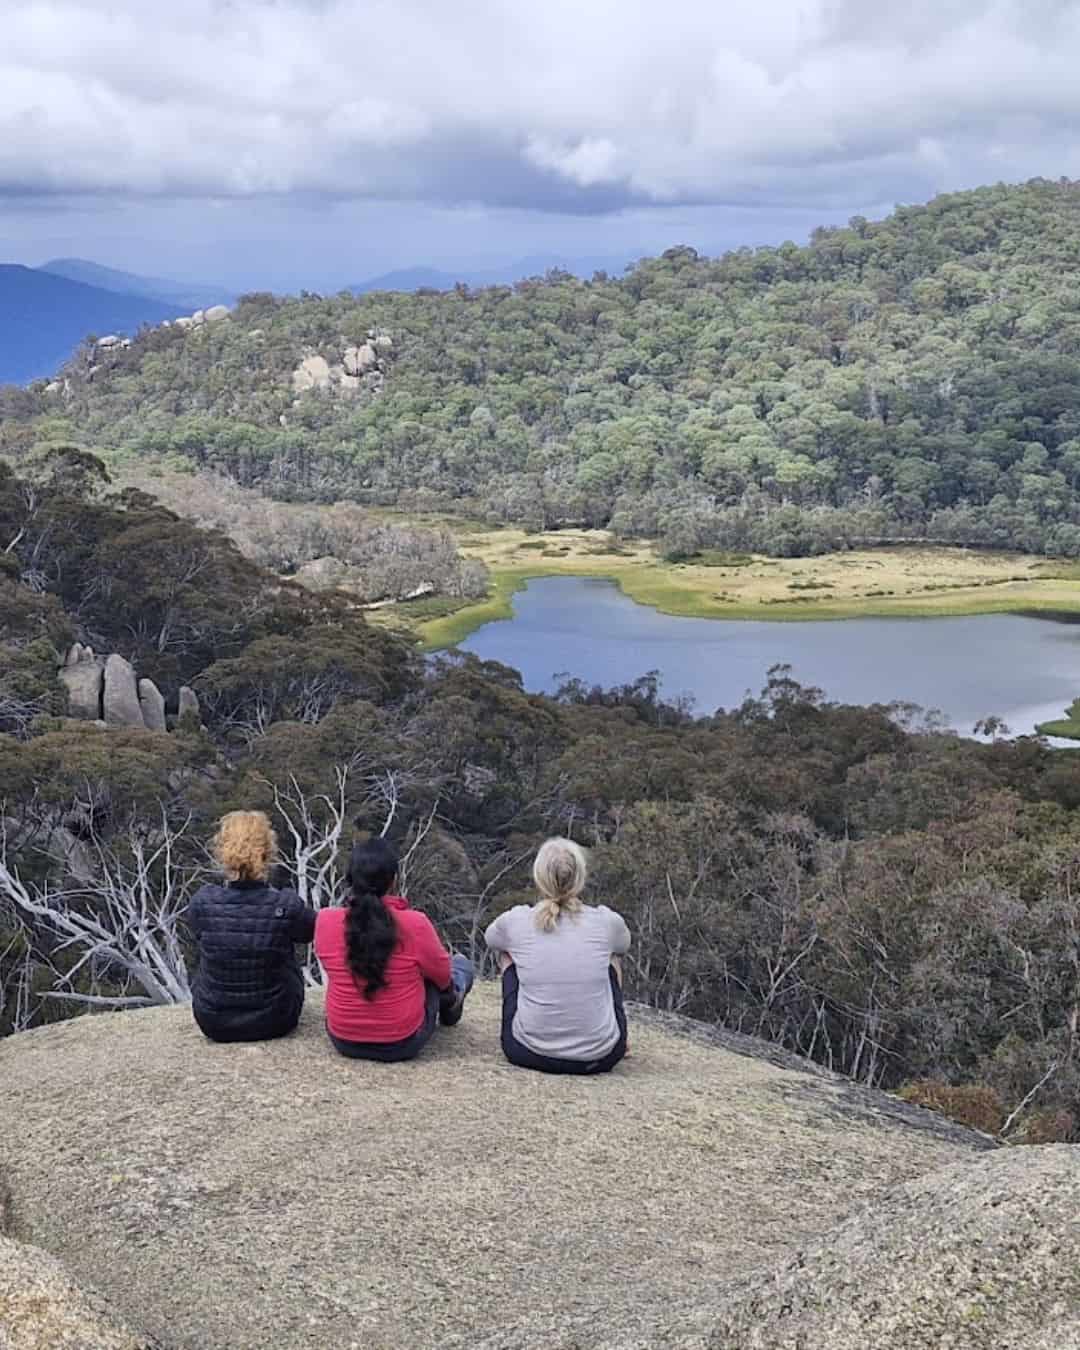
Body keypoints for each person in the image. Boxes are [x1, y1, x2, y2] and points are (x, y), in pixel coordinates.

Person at [314, 837, 473, 1061]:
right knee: (459, 967)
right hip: (401, 1043)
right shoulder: (415, 923)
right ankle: (451, 1009)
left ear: (350, 879)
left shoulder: (325, 920)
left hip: (344, 1039)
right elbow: (442, 976)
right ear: (393, 881)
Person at [485, 837, 631, 1075]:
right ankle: (607, 1033)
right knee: (612, 956)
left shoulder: (517, 920)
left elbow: (491, 939)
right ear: (580, 878)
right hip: (601, 1057)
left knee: (507, 952)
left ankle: (538, 1025)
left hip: (527, 1052)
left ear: (539, 878)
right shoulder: (607, 921)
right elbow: (624, 945)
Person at [186, 811, 315, 1042]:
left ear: (222, 851)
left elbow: (196, 934)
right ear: (268, 852)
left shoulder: (202, 902)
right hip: (275, 1019)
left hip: (214, 1021)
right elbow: (309, 932)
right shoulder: (286, 904)